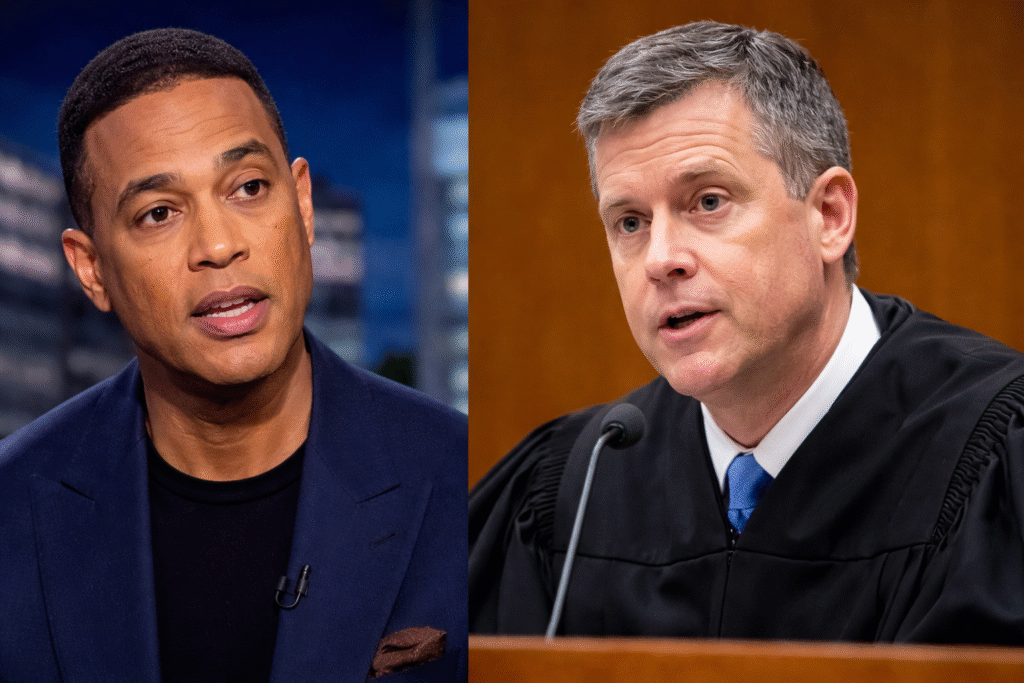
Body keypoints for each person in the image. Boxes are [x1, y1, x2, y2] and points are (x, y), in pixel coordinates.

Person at [470, 20, 1024, 644]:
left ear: (829, 215)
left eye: (708, 201)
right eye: (629, 222)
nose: (660, 259)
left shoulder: (993, 460)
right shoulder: (576, 487)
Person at [0, 28, 466, 682]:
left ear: (302, 204)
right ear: (91, 269)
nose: (218, 246)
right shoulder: (12, 510)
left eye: (247, 187)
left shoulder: (465, 479)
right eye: (159, 213)